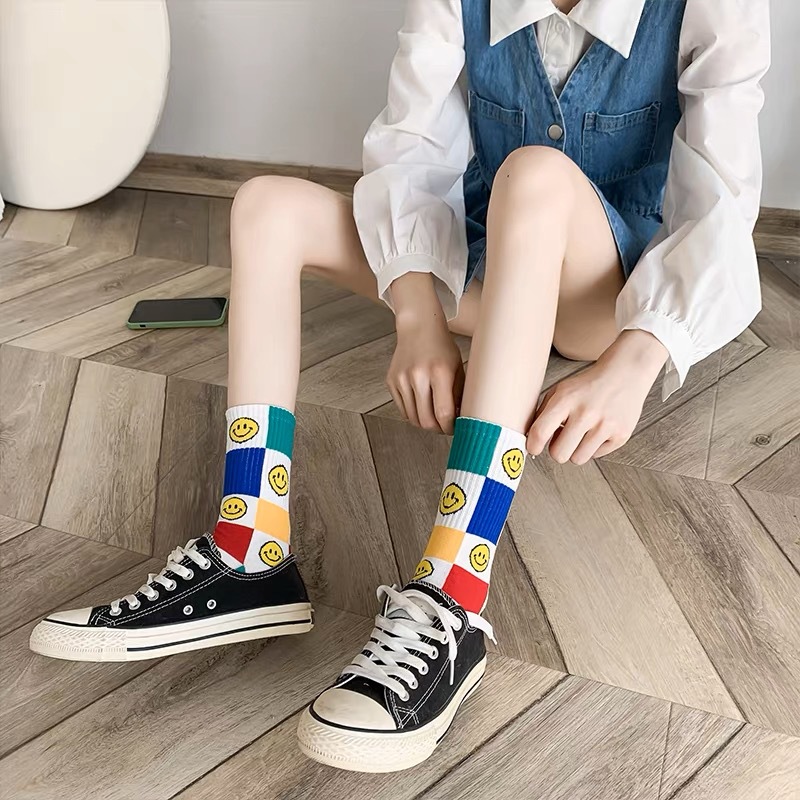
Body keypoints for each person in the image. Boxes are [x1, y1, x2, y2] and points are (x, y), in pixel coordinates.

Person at [30, 0, 769, 774]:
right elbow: (412, 150)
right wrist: (416, 314)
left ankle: (453, 595)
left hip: (599, 297)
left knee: (536, 174)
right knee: (267, 207)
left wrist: (636, 361)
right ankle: (250, 552)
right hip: (490, 267)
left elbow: (721, 203)